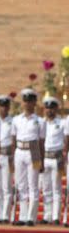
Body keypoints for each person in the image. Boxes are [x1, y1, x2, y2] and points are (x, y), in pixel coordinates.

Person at [11, 89, 44, 226]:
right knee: (21, 185)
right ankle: (23, 216)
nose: (27, 104)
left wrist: (41, 159)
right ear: (22, 103)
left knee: (33, 185)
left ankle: (32, 217)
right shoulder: (16, 120)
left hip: (34, 151)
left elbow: (42, 142)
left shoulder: (40, 121)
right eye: (25, 101)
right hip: (19, 150)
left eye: (30, 101)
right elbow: (13, 140)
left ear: (34, 103)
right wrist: (13, 158)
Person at [40, 96, 66, 225]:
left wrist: (64, 156)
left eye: (52, 108)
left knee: (57, 188)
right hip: (44, 157)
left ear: (56, 109)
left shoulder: (61, 123)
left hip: (57, 157)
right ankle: (47, 215)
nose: (49, 110)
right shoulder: (41, 123)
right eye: (47, 108)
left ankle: (56, 216)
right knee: (46, 188)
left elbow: (66, 140)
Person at [0, 95, 16, 223]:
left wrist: (13, 158)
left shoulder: (12, 121)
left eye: (5, 106)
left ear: (8, 107)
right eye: (1, 106)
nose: (3, 109)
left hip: (7, 156)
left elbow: (13, 141)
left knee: (7, 186)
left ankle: (6, 215)